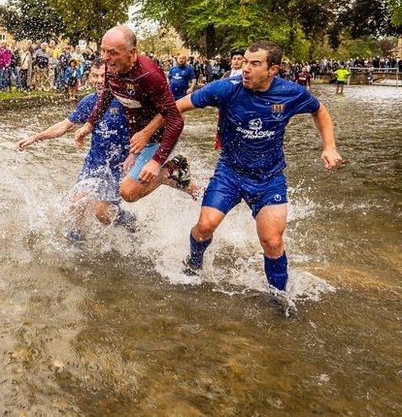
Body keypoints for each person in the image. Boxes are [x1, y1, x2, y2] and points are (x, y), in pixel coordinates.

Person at [176, 40, 344, 301]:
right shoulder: (226, 88)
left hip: (269, 177)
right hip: (230, 172)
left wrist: (329, 147)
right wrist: (153, 137)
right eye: (244, 61)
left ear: (273, 70)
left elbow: (319, 110)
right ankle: (194, 265)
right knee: (205, 226)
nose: (245, 68)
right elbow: (177, 107)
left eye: (255, 64)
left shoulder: (290, 93)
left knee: (272, 242)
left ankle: (279, 297)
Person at [74, 25, 197, 205]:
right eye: (103, 51)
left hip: (159, 137)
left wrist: (157, 161)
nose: (106, 58)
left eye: (113, 52)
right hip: (138, 137)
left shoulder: (150, 75)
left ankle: (171, 169)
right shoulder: (112, 66)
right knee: (125, 185)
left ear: (131, 53)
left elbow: (175, 119)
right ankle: (183, 181)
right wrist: (89, 124)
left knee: (128, 192)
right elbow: (108, 93)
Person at [17, 60, 137, 240]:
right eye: (95, 76)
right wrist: (35, 137)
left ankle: (128, 221)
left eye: (103, 76)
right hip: (94, 163)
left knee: (101, 212)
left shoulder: (125, 102)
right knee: (77, 203)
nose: (99, 80)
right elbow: (64, 126)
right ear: (89, 77)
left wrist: (136, 154)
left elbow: (144, 131)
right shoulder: (88, 102)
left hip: (119, 166)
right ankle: (76, 240)